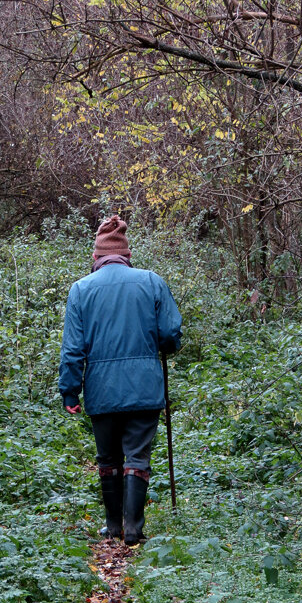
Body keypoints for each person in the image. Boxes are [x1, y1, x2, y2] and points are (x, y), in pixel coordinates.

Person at [59, 215, 182, 545]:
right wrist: (167, 345)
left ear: (96, 257)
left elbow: (72, 349)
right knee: (137, 457)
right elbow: (171, 332)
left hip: (102, 391)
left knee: (108, 459)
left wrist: (70, 391)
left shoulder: (81, 290)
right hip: (144, 387)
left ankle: (114, 526)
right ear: (127, 255)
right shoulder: (151, 281)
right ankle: (133, 529)